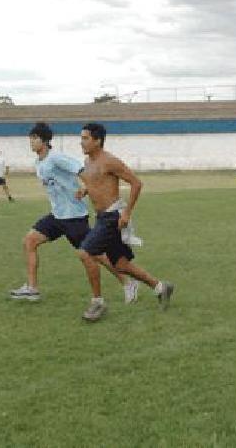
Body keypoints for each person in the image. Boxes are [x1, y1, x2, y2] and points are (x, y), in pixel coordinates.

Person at [9, 123, 137, 302]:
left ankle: (127, 281)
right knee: (29, 241)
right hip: (57, 215)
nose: (31, 142)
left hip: (74, 217)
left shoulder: (57, 158)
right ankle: (32, 288)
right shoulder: (39, 161)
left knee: (97, 255)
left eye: (35, 138)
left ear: (45, 141)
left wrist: (86, 188)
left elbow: (83, 171)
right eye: (30, 138)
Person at [74, 122, 175, 322]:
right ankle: (160, 287)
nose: (81, 142)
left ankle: (97, 302)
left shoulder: (110, 161)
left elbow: (137, 183)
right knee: (120, 264)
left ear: (98, 140)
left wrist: (127, 213)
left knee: (85, 253)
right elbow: (96, 183)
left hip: (113, 217)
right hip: (102, 217)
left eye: (85, 138)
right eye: (81, 138)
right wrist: (85, 190)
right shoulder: (88, 162)